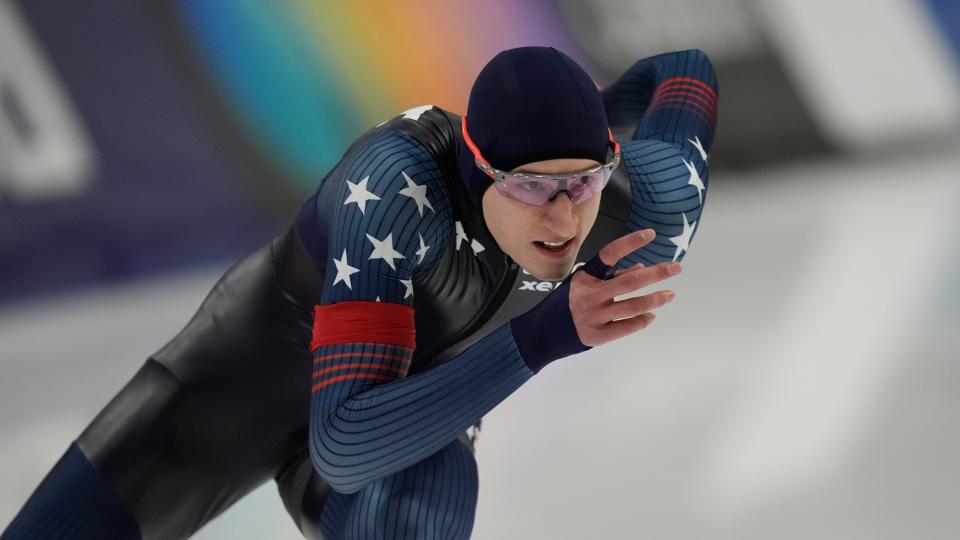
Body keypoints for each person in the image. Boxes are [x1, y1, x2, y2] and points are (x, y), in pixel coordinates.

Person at [2, 46, 718, 539]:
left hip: (401, 422)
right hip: (228, 400)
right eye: (529, 185)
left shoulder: (647, 210)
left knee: (423, 503)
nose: (562, 218)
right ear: (477, 162)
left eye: (582, 181)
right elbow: (342, 443)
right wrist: (542, 336)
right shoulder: (398, 187)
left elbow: (684, 70)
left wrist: (579, 112)